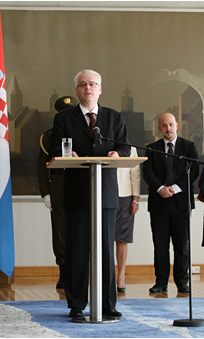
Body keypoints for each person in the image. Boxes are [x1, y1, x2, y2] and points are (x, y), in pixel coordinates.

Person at [48, 69, 130, 318]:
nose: (88, 88)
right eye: (83, 85)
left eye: (93, 84)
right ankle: (76, 305)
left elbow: (125, 147)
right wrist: (66, 155)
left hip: (105, 194)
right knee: (78, 252)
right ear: (77, 90)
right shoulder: (65, 119)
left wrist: (118, 154)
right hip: (78, 193)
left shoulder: (114, 118)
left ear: (100, 89)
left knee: (105, 251)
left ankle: (108, 305)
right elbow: (55, 148)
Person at [143, 112, 199, 294]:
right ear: (159, 128)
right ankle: (161, 282)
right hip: (159, 202)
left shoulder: (188, 147)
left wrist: (174, 188)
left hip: (181, 202)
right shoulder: (152, 148)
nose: (168, 129)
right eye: (164, 126)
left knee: (182, 245)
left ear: (176, 126)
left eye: (171, 125)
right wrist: (161, 188)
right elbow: (148, 173)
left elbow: (194, 171)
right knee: (160, 245)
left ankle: (182, 282)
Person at [38, 95, 77, 289]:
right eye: (63, 113)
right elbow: (41, 167)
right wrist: (45, 192)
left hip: (81, 190)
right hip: (59, 190)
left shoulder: (83, 133)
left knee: (79, 233)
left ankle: (79, 271)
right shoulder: (49, 136)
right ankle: (64, 273)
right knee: (61, 235)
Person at [115, 146, 140, 293]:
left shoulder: (131, 150)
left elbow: (135, 174)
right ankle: (106, 277)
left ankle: (121, 276)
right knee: (102, 239)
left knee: (122, 239)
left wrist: (135, 199)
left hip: (125, 196)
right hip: (103, 195)